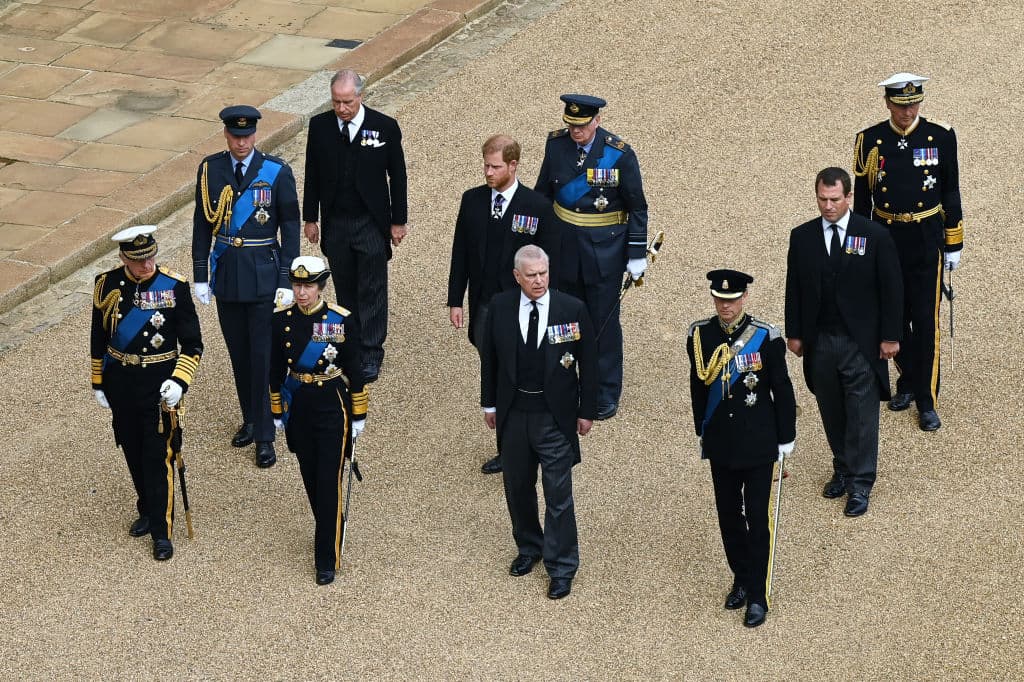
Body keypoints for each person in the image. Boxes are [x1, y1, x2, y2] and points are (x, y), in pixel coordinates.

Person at [479, 245, 597, 600]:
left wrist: (586, 410)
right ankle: (530, 546)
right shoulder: (499, 307)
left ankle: (561, 566)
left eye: (543, 273)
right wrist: (489, 405)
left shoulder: (571, 309)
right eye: (531, 275)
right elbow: (491, 361)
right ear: (517, 276)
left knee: (558, 494)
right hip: (514, 414)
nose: (538, 281)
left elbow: (589, 363)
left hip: (554, 417)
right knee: (517, 487)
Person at [785, 167, 904, 518]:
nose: (828, 206)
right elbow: (794, 287)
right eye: (822, 199)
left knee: (862, 414)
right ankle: (842, 467)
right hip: (821, 341)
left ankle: (861, 482)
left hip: (861, 343)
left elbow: (892, 289)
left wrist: (891, 336)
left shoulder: (874, 235)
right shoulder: (802, 236)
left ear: (849, 197)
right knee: (832, 409)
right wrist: (795, 332)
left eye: (835, 199)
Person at [853, 72, 964, 431]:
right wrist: (860, 247)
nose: (907, 111)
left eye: (913, 104)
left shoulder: (941, 136)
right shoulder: (870, 140)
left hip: (925, 237)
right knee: (893, 319)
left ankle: (927, 398)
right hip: (886, 237)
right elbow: (862, 203)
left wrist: (954, 241)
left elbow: (950, 190)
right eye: (900, 105)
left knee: (925, 320)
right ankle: (908, 379)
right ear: (888, 103)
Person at [191, 105, 300, 468]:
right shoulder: (210, 169)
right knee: (239, 353)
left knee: (263, 354)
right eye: (236, 136)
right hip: (227, 275)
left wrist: (288, 278)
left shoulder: (276, 171)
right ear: (226, 134)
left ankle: (266, 434)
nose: (242, 142)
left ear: (256, 134)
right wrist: (201, 274)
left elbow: (291, 226)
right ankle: (251, 419)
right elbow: (201, 225)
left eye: (247, 136)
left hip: (264, 275)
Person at [686, 269, 796, 628]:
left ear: (744, 298)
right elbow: (698, 389)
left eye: (732, 300)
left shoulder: (764, 337)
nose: (726, 306)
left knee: (758, 521)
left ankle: (758, 595)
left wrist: (786, 438)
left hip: (759, 442)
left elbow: (781, 387)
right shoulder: (700, 334)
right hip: (721, 444)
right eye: (720, 299)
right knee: (729, 517)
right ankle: (741, 576)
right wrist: (702, 430)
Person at [447, 134, 559, 474]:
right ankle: (509, 448)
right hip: (484, 306)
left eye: (495, 166)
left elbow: (549, 260)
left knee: (517, 375)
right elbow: (461, 253)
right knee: (494, 372)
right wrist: (455, 300)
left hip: (521, 307)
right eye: (485, 165)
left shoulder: (536, 206)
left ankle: (523, 447)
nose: (488, 172)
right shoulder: (472, 201)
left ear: (513, 165)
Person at [91, 225, 203, 561]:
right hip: (121, 382)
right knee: (132, 449)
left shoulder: (175, 287)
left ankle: (161, 529)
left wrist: (180, 381)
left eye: (151, 256)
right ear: (123, 258)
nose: (147, 265)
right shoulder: (106, 285)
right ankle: (148, 507)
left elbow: (194, 344)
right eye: (139, 260)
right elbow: (99, 336)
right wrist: (98, 381)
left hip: (159, 384)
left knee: (158, 457)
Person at [535, 94, 649, 420]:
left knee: (603, 323)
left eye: (582, 126)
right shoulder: (556, 146)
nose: (576, 132)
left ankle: (603, 393)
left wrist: (636, 254)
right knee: (563, 320)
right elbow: (544, 194)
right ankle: (564, 384)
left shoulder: (618, 156)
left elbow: (637, 207)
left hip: (604, 252)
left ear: (596, 121)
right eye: (571, 125)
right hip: (562, 248)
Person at [303, 68, 409, 383]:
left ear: (360, 97)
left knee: (372, 288)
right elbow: (312, 173)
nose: (342, 109)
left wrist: (398, 221)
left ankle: (372, 352)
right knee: (346, 287)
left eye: (347, 102)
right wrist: (311, 218)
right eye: (336, 102)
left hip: (371, 221)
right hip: (336, 221)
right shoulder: (319, 127)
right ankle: (351, 345)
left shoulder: (384, 127)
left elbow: (398, 176)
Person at [269, 256, 368, 586]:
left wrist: (358, 415)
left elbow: (355, 370)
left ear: (320, 286)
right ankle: (330, 523)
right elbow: (274, 370)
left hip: (331, 408)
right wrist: (276, 411)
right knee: (310, 478)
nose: (301, 293)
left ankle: (326, 556)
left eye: (308, 286)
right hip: (299, 408)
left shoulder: (340, 321)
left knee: (328, 482)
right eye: (297, 285)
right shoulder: (281, 320)